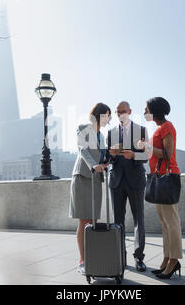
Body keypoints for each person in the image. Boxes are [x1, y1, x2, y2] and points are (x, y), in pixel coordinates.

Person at [138, 97, 183, 279]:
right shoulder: (158, 128)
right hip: (159, 178)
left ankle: (174, 260)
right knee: (165, 224)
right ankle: (167, 258)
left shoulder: (167, 127)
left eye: (146, 109)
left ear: (154, 110)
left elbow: (167, 153)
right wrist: (146, 148)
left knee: (172, 224)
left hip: (167, 177)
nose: (144, 112)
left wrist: (147, 147)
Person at [69, 103, 111, 275]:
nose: (109, 119)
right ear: (99, 115)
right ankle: (82, 260)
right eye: (107, 115)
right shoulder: (84, 127)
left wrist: (107, 161)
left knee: (93, 220)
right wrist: (94, 165)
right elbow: (83, 150)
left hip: (95, 179)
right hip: (83, 177)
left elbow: (103, 156)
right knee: (83, 220)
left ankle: (91, 258)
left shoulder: (102, 136)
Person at [107, 101, 149, 272]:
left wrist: (133, 155)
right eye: (118, 112)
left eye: (123, 111)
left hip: (135, 180)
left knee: (139, 219)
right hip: (116, 181)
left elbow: (146, 156)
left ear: (130, 111)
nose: (120, 114)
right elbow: (108, 159)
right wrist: (110, 155)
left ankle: (139, 257)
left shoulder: (141, 130)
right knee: (118, 221)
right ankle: (120, 256)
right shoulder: (110, 132)